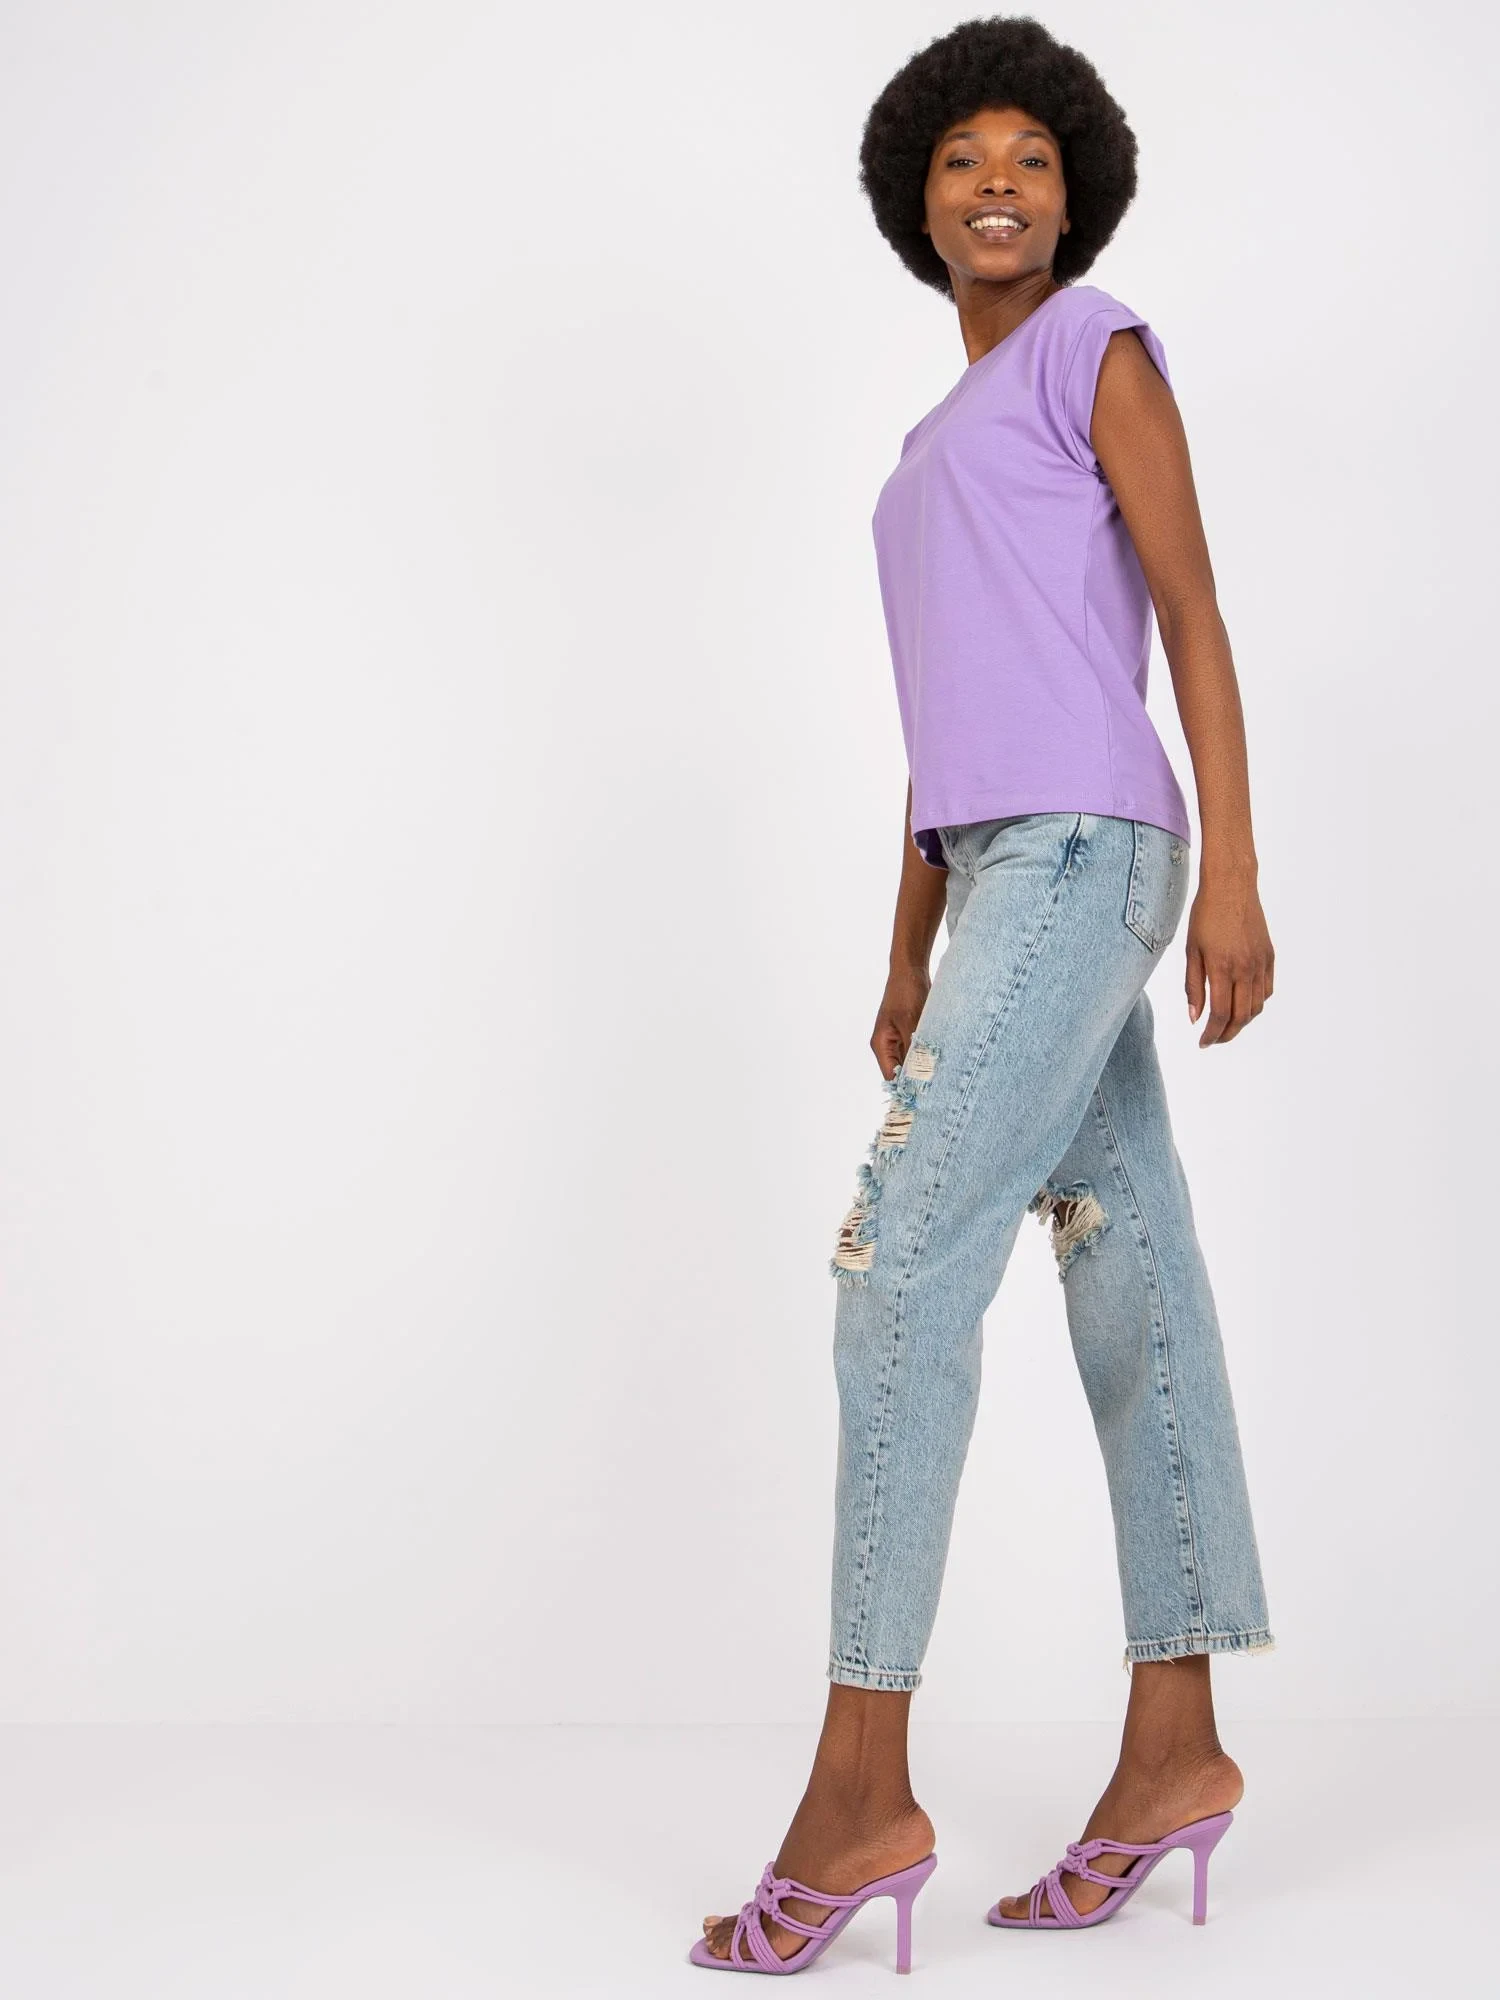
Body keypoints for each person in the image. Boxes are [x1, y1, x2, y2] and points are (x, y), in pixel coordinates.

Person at [689, 14, 1275, 1974]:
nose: (999, 182)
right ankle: (1176, 1748)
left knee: (901, 1269)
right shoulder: (920, 460)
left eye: (1031, 156)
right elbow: (947, 724)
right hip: (1004, 867)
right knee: (1132, 1277)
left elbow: (1191, 610)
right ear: (917, 203)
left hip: (1097, 853)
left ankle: (861, 1786)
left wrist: (1236, 876)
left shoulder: (1093, 348)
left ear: (1073, 192)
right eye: (963, 160)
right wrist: (906, 943)